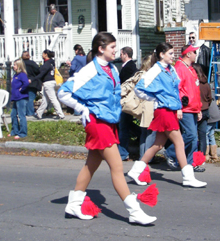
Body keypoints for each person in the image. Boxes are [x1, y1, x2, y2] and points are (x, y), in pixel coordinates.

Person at [58, 32, 156, 225]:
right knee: (117, 167)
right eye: (112, 47)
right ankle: (134, 211)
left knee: (91, 165)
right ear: (101, 49)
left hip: (109, 122)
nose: (115, 51)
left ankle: (74, 204)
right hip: (97, 123)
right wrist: (82, 108)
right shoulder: (89, 70)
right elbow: (63, 92)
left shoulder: (112, 68)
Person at [127, 43, 207, 188]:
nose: (173, 56)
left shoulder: (171, 69)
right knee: (179, 143)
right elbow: (139, 89)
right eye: (170, 53)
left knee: (158, 145)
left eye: (173, 53)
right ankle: (188, 177)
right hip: (164, 111)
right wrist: (155, 99)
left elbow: (175, 90)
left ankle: (135, 171)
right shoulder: (155, 70)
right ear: (161, 54)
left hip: (170, 110)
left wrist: (178, 107)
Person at [165, 43, 202, 169]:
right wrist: (179, 107)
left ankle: (190, 163)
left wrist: (199, 108)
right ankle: (171, 152)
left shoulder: (191, 68)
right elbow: (176, 89)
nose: (196, 54)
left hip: (193, 108)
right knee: (191, 135)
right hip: (185, 108)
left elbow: (195, 90)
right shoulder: (180, 68)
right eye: (194, 52)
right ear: (188, 54)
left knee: (194, 137)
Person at [117, 46, 138, 160]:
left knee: (123, 126)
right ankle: (140, 134)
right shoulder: (131, 66)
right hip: (129, 100)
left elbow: (125, 84)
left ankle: (123, 153)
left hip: (126, 100)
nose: (120, 56)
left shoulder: (128, 68)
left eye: (121, 54)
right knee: (127, 124)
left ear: (125, 54)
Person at [34, 50, 65, 120]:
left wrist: (33, 79)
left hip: (48, 82)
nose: (42, 55)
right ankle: (39, 113)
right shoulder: (51, 63)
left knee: (53, 99)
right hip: (51, 81)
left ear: (46, 54)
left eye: (43, 54)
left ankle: (61, 114)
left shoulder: (47, 64)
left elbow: (41, 73)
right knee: (45, 100)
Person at [194, 63, 214, 160]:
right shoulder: (206, 84)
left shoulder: (194, 84)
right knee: (202, 135)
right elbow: (210, 98)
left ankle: (193, 155)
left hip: (195, 110)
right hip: (205, 110)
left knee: (193, 135)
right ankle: (201, 156)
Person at [10, 59, 29, 139]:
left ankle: (23, 133)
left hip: (21, 97)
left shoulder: (22, 75)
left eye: (15, 65)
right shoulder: (15, 75)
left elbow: (26, 83)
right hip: (15, 97)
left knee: (21, 115)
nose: (13, 66)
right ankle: (15, 130)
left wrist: (21, 90)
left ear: (19, 66)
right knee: (13, 114)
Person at [22, 50, 41, 117]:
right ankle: (30, 112)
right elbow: (38, 71)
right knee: (30, 98)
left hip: (23, 82)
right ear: (29, 56)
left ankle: (25, 112)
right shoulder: (32, 63)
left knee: (24, 98)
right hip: (32, 82)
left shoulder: (21, 64)